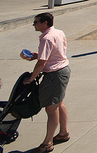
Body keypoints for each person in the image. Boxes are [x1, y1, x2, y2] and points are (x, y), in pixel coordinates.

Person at [23, 12, 71, 152]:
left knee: (51, 108)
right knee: (59, 103)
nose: (34, 24)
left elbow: (42, 63)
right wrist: (38, 56)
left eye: (36, 22)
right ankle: (63, 133)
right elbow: (55, 53)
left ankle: (47, 143)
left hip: (54, 75)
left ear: (45, 23)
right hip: (63, 70)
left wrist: (31, 78)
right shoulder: (58, 32)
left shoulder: (47, 39)